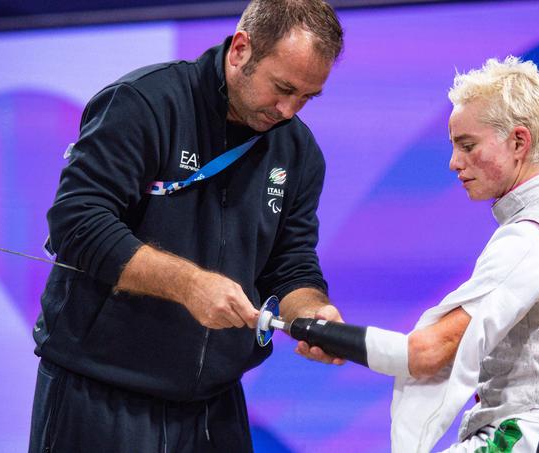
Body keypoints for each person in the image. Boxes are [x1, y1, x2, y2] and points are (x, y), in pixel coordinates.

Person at [28, 1, 344, 452]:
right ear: (240, 50)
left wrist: (310, 312)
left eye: (307, 98)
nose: (289, 110)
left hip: (214, 405)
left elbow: (290, 264)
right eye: (282, 88)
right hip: (99, 391)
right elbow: (77, 223)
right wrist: (189, 285)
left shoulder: (298, 152)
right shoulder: (144, 103)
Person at [355, 57, 539, 452]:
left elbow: (428, 353)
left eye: (467, 145)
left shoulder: (530, 237)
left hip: (533, 436)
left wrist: (317, 332)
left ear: (518, 142)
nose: (454, 163)